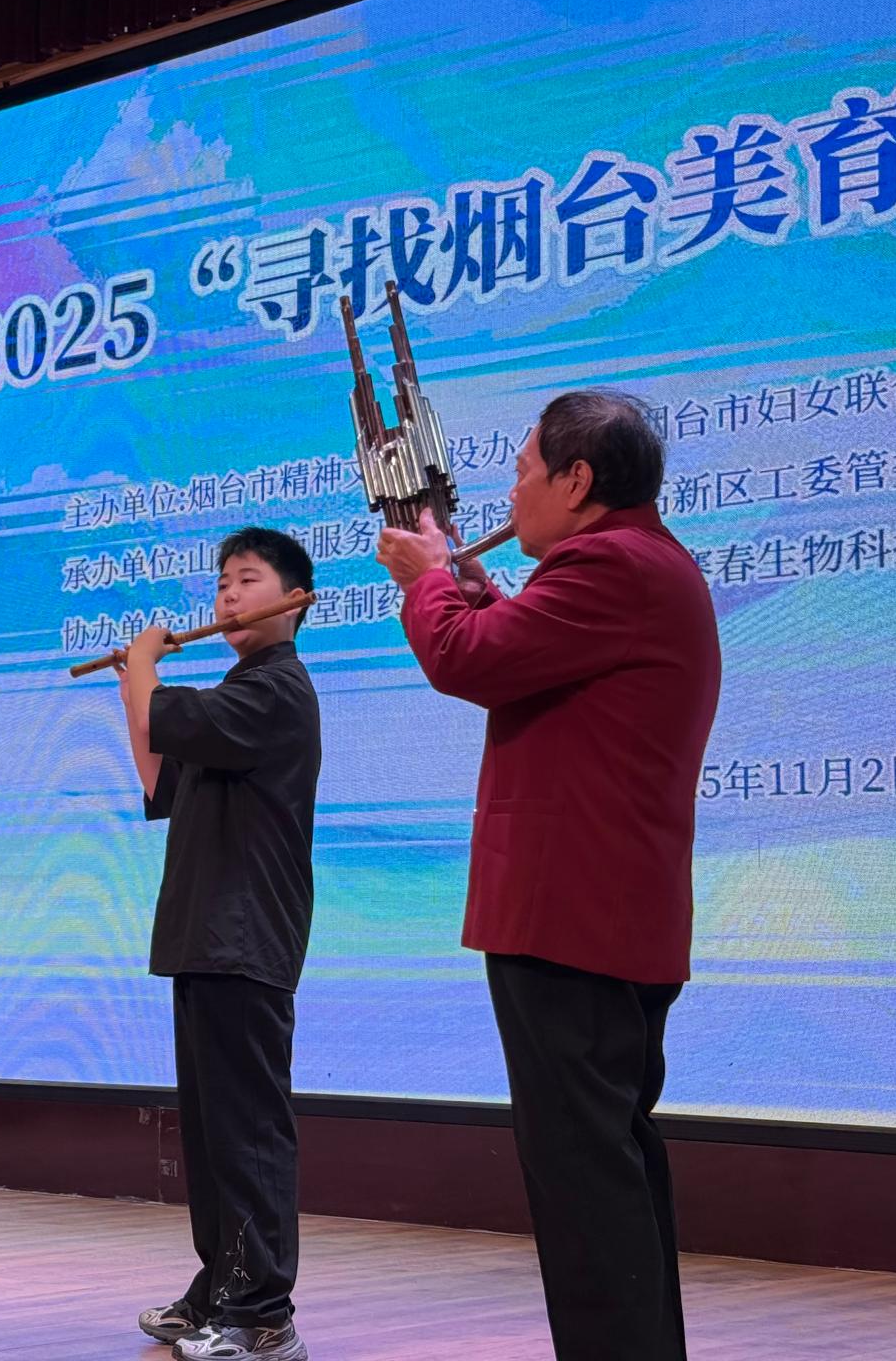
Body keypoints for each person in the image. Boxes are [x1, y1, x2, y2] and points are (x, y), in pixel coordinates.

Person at [375, 390, 720, 1361]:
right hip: (605, 920)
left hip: (573, 921)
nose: (512, 491)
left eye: (523, 470)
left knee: (584, 1182)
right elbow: (528, 650)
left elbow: (467, 659)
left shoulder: (611, 565)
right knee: (607, 1168)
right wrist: (468, 584)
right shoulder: (641, 563)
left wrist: (431, 582)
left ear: (577, 481)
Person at [115, 527, 322, 1361]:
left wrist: (144, 667)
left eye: (247, 580)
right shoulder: (237, 695)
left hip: (246, 938)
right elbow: (159, 775)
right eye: (223, 584)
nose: (228, 597)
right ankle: (222, 1291)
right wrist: (133, 685)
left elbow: (164, 712)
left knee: (248, 1134)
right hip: (207, 939)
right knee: (211, 1137)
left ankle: (264, 1317)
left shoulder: (276, 690)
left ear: (295, 599)